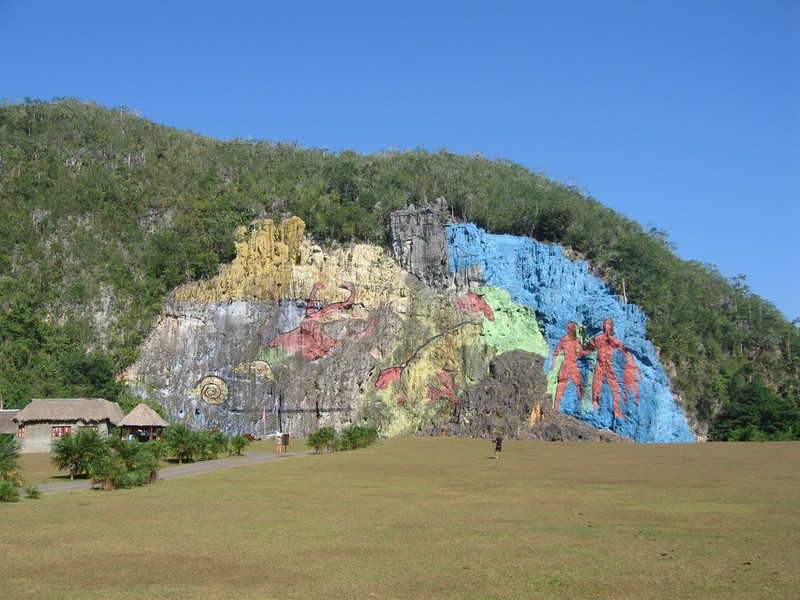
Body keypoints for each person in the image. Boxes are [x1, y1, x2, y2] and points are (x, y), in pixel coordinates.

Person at [584, 318, 628, 418]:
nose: (606, 326)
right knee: (596, 386)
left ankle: (617, 411)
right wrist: (580, 353)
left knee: (615, 389)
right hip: (600, 365)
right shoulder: (598, 338)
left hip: (609, 366)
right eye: (605, 323)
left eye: (608, 324)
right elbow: (588, 350)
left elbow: (624, 351)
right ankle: (595, 405)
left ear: (611, 326)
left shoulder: (614, 340)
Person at [550, 322, 587, 412]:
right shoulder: (565, 339)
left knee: (579, 385)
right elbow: (556, 352)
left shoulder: (576, 341)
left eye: (570, 328)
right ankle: (556, 406)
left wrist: (585, 349)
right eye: (568, 328)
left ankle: (582, 406)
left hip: (573, 364)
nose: (569, 330)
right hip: (566, 364)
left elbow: (580, 353)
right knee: (562, 384)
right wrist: (553, 364)